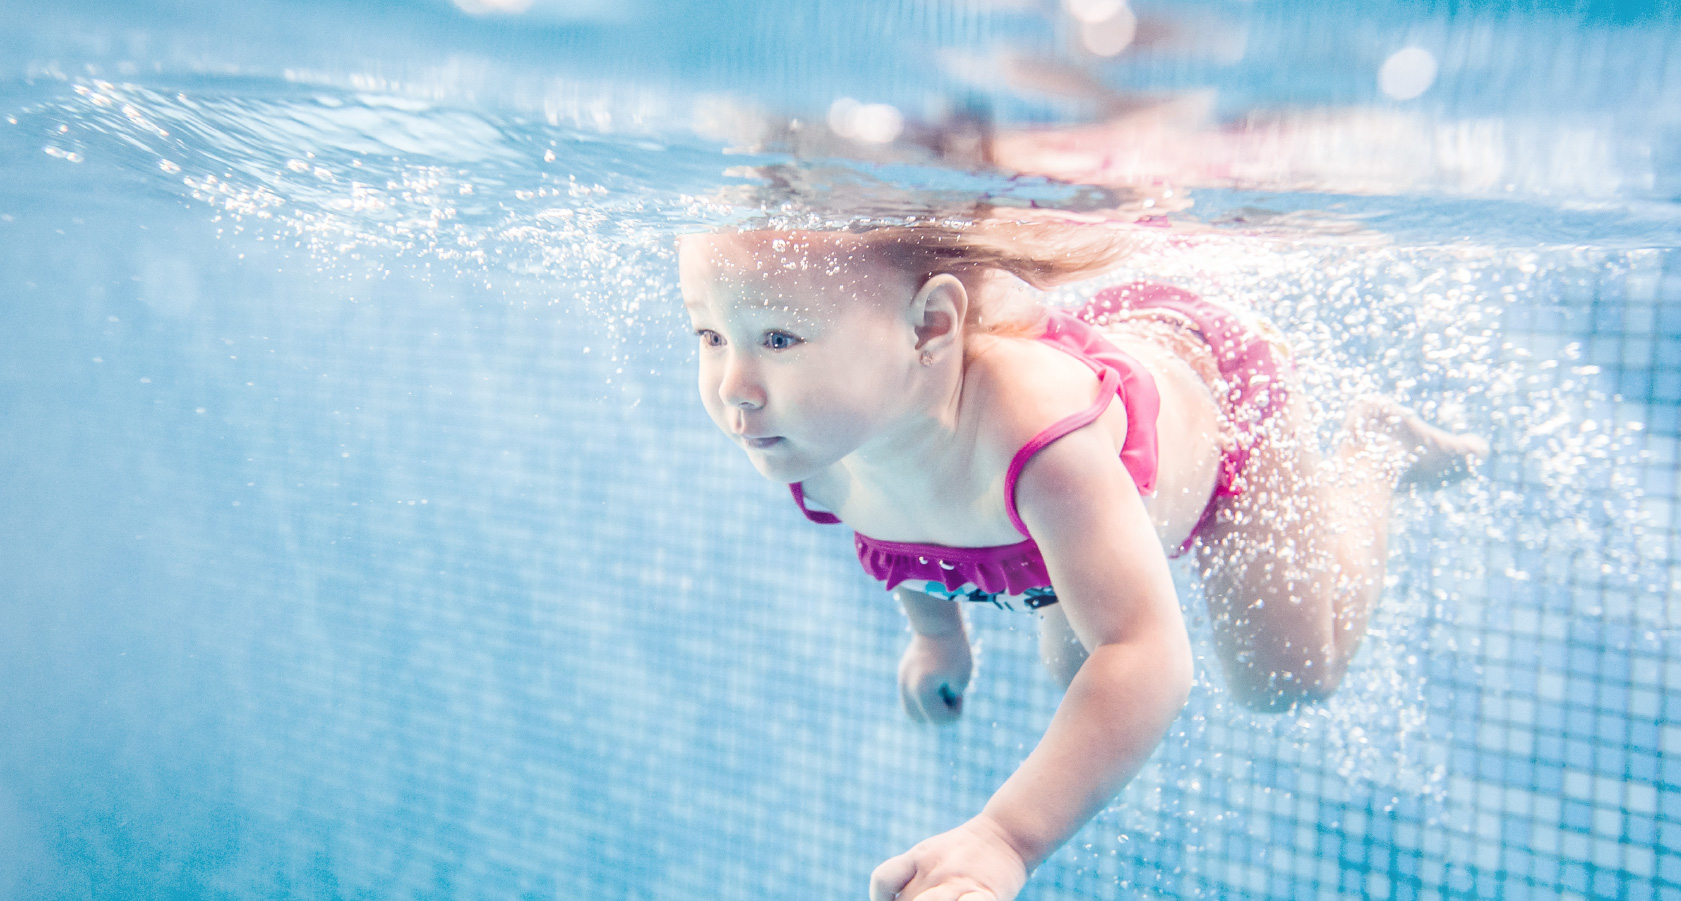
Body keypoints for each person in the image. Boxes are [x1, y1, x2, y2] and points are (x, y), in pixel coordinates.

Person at [676, 217, 1486, 901]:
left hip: (1215, 394)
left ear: (928, 327)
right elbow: (899, 536)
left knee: (1282, 676)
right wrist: (937, 636)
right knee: (1076, 674)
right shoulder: (814, 441)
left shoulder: (1039, 441)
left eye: (778, 338)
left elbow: (1147, 655)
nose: (734, 386)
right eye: (710, 335)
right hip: (1082, 435)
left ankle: (1376, 449)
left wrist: (1003, 838)